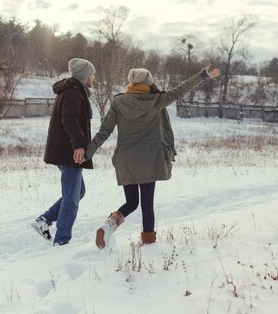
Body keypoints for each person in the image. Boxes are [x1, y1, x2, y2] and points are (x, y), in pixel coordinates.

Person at [84, 66, 220, 249]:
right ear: (148, 83)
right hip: (149, 161)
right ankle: (148, 244)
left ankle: (108, 226)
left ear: (130, 83)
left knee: (132, 202)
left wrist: (88, 151)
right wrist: (203, 75)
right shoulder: (157, 101)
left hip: (126, 161)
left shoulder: (119, 102)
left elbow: (104, 131)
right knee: (147, 206)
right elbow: (181, 89)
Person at [31, 58, 96, 246]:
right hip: (69, 153)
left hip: (67, 151)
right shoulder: (73, 93)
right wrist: (78, 145)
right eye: (92, 74)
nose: (94, 77)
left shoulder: (75, 91)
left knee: (78, 192)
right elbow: (69, 120)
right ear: (85, 76)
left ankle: (44, 220)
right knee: (71, 198)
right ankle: (62, 240)